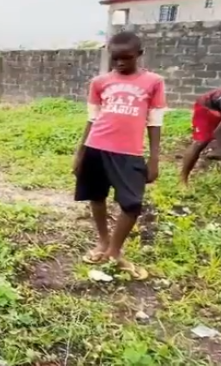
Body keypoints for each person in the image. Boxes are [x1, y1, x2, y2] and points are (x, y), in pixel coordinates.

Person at [72, 31, 166, 279]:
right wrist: (80, 153)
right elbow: (92, 119)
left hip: (129, 153)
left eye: (126, 58)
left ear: (139, 55)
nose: (120, 63)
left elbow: (155, 122)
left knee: (132, 204)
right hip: (97, 147)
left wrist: (154, 158)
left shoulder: (153, 82)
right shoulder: (99, 82)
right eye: (115, 58)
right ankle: (103, 242)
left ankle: (115, 251)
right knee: (96, 196)